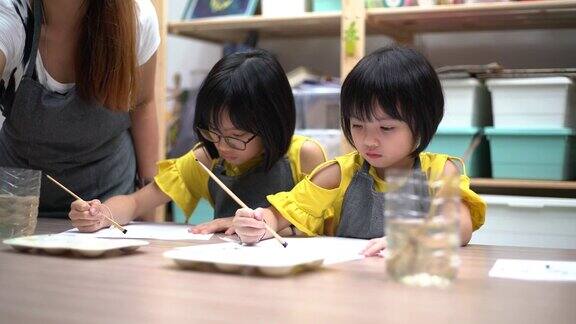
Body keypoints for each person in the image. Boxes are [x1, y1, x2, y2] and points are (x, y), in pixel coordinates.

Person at [233, 46, 486, 256]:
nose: (369, 140)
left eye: (386, 128)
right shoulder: (338, 173)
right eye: (357, 125)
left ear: (422, 123)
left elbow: (460, 225)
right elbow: (284, 212)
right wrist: (260, 223)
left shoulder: (440, 171)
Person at [68, 49, 327, 234]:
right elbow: (137, 202)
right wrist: (101, 214)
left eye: (236, 137)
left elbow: (327, 229)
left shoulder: (304, 155)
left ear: (272, 123)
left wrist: (265, 225)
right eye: (213, 131)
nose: (222, 146)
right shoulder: (207, 158)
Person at [0, 0, 160, 217]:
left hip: (109, 210)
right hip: (18, 209)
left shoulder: (136, 17)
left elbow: (142, 103)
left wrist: (146, 210)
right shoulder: (11, 14)